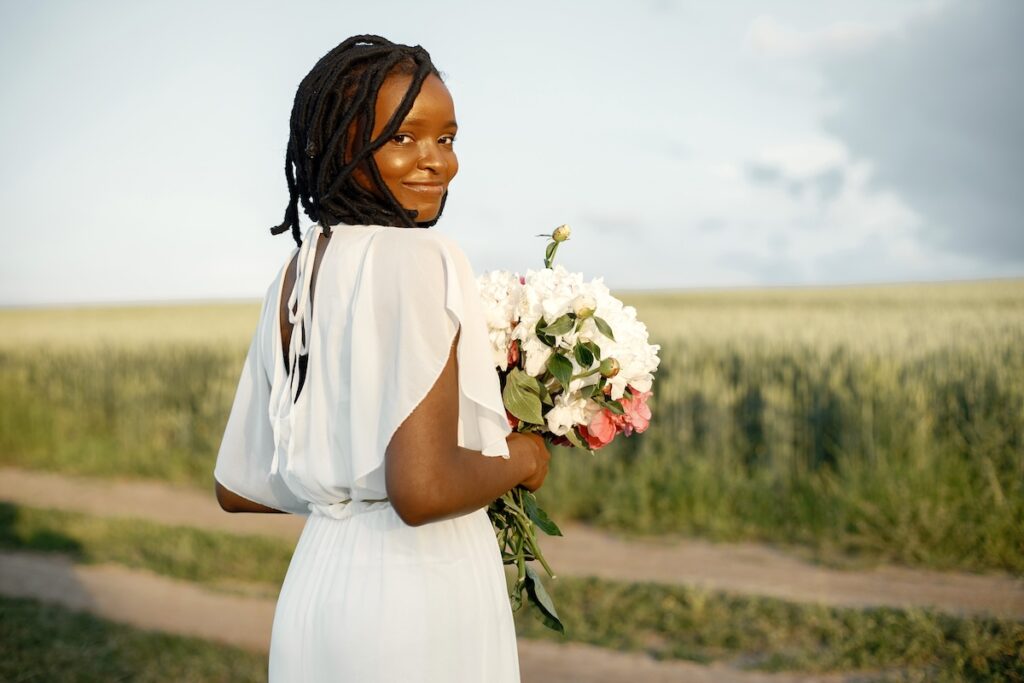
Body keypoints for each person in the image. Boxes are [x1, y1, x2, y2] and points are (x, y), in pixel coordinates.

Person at [212, 35, 551, 682]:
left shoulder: (296, 278)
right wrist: (526, 457)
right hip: (418, 595)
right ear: (343, 145)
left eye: (446, 139)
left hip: (316, 588)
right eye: (402, 138)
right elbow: (420, 489)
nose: (435, 162)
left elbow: (238, 484)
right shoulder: (422, 257)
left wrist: (336, 481)